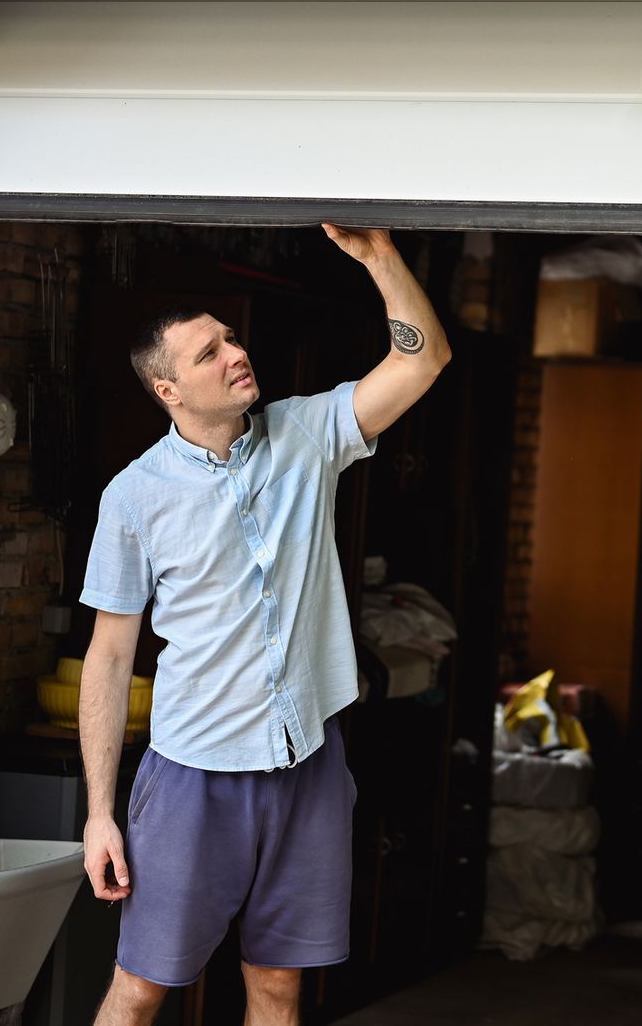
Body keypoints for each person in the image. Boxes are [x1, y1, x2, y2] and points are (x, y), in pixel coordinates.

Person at [78, 225, 450, 1026]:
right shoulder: (133, 497)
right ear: (167, 390)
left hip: (307, 762)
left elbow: (423, 360)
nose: (234, 354)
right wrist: (100, 811)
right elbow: (109, 660)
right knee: (141, 988)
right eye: (208, 353)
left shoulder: (308, 435)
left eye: (231, 338)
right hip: (191, 777)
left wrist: (379, 257)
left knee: (278, 987)